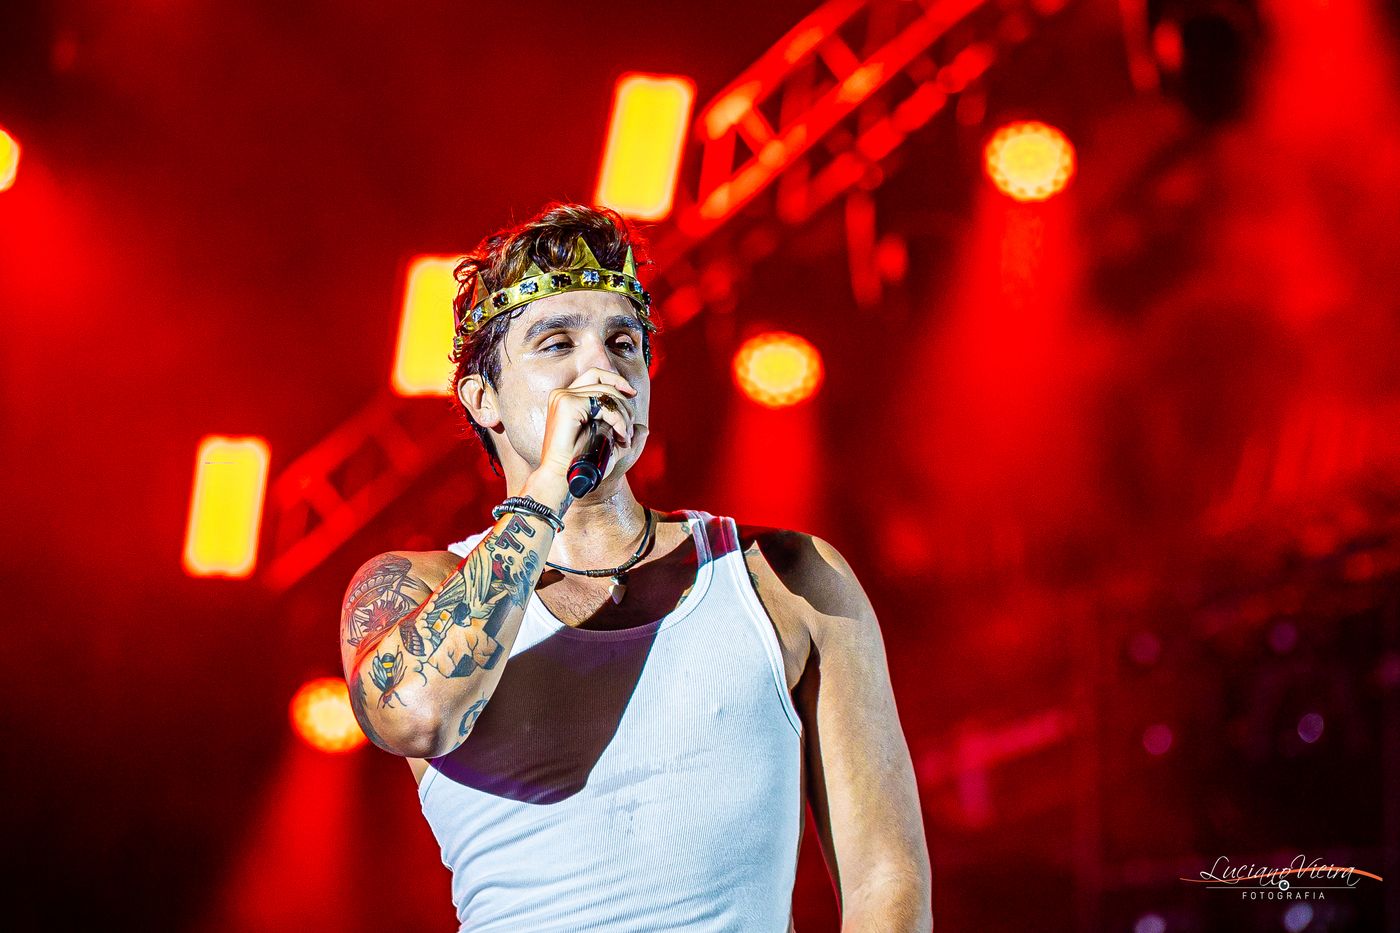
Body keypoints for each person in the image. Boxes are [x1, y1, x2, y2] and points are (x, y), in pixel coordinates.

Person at [338, 202, 931, 931]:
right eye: (557, 343)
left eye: (623, 343)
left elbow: (885, 879)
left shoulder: (787, 580)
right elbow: (418, 715)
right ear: (483, 398)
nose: (602, 369)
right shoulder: (414, 586)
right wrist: (548, 488)